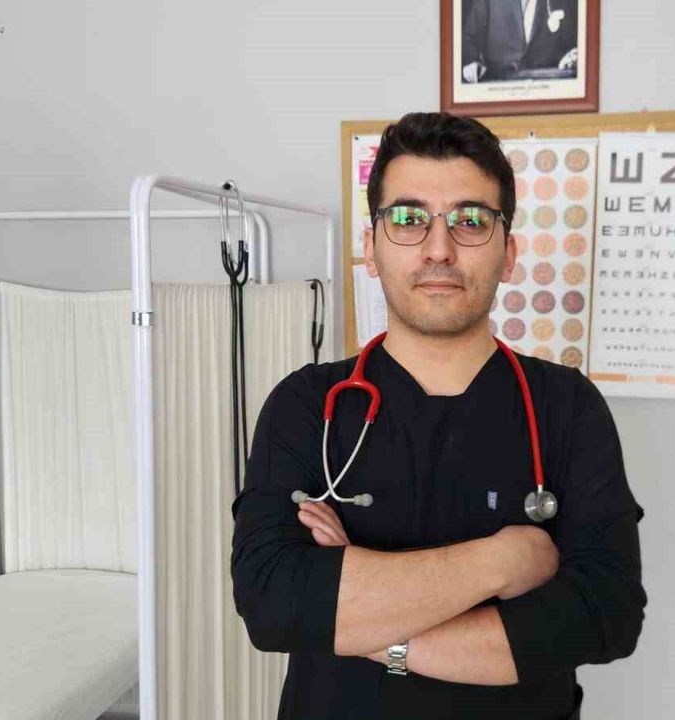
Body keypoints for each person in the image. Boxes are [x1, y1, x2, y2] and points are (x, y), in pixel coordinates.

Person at [230, 112, 645, 720]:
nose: (439, 249)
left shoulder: (566, 406)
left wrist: (369, 630)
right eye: (408, 219)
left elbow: (604, 615)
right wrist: (503, 560)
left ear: (508, 253)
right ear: (371, 249)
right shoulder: (308, 404)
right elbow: (272, 604)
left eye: (471, 221)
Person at [461, 0, 580, 83]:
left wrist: (573, 55)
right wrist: (471, 61)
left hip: (548, 81)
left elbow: (576, 41)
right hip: (499, 83)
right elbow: (468, 37)